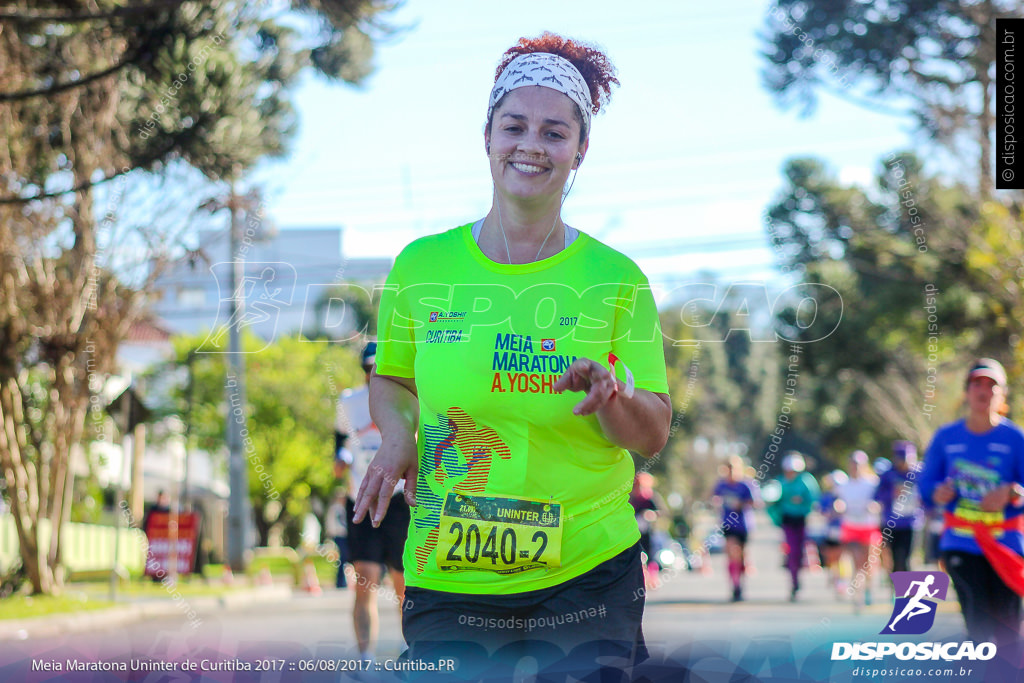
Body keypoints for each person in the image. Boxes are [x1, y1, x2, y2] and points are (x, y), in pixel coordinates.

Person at [353, 32, 672, 674]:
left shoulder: (617, 279)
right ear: (488, 137)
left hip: (588, 566)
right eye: (514, 126)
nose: (531, 145)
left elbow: (654, 433)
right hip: (452, 565)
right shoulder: (421, 266)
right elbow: (393, 378)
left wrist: (613, 397)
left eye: (555, 133)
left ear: (580, 151)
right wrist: (396, 436)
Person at [918, 358, 1024, 654]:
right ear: (966, 392)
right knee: (979, 629)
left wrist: (1014, 493)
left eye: (992, 385)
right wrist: (936, 492)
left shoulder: (1015, 438)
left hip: (1005, 545)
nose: (983, 390)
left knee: (1009, 637)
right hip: (960, 544)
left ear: (1002, 395)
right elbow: (925, 485)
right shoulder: (946, 437)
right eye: (976, 383)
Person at [335, 342, 410, 661]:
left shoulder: (407, 396)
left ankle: (411, 650)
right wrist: (340, 458)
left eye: (379, 366)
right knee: (364, 582)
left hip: (398, 500)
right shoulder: (348, 402)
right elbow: (338, 442)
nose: (373, 373)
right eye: (368, 368)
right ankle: (365, 658)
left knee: (404, 586)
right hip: (362, 500)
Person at [769, 452, 820, 602]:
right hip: (787, 520)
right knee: (792, 550)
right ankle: (793, 580)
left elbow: (813, 499)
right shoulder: (780, 482)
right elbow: (772, 503)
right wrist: (777, 517)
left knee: (800, 550)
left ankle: (797, 572)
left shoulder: (806, 481)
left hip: (801, 519)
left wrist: (802, 502)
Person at [835, 450, 881, 609]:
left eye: (858, 465)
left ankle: (868, 588)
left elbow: (880, 501)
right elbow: (838, 503)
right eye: (852, 464)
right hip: (850, 526)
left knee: (868, 561)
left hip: (868, 526)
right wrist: (838, 507)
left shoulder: (872, 483)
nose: (855, 468)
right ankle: (857, 594)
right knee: (856, 561)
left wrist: (874, 507)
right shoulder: (843, 485)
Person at [712, 456, 757, 601]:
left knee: (741, 556)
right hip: (728, 524)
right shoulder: (721, 485)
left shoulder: (745, 485)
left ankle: (740, 582)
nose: (731, 472)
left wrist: (741, 503)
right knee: (732, 552)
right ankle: (734, 585)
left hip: (743, 525)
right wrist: (716, 502)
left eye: (734, 469)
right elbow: (713, 498)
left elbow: (755, 502)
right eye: (729, 469)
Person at [875, 441, 922, 575]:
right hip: (891, 523)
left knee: (907, 559)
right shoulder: (888, 474)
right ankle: (895, 590)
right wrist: (892, 493)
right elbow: (877, 495)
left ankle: (906, 592)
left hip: (912, 522)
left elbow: (927, 492)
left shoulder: (918, 473)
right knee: (894, 560)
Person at [630, 472, 665, 588]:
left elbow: (661, 512)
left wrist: (650, 514)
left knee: (651, 555)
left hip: (649, 532)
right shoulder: (632, 498)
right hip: (635, 532)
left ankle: (652, 578)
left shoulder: (651, 498)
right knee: (638, 556)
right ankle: (641, 579)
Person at [817, 469, 847, 595]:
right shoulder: (827, 497)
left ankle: (842, 580)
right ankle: (833, 576)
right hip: (830, 530)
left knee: (842, 556)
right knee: (831, 556)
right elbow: (821, 511)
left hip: (844, 530)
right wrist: (830, 513)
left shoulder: (846, 496)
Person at [325, 488, 349, 589]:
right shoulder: (335, 509)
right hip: (339, 535)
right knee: (343, 557)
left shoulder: (345, 508)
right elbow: (331, 522)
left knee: (345, 558)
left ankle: (343, 580)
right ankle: (340, 581)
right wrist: (331, 534)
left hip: (345, 535)